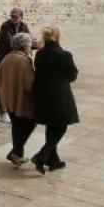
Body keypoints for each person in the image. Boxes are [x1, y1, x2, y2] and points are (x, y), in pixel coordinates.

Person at [30, 26, 79, 174]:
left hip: (43, 95)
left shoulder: (40, 54)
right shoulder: (64, 55)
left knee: (52, 126)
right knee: (60, 127)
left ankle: (53, 162)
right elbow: (72, 75)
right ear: (58, 37)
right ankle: (41, 156)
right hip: (59, 96)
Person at [0, 32, 36, 166]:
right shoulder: (24, 61)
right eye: (30, 45)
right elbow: (29, 85)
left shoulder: (6, 58)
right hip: (21, 101)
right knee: (31, 122)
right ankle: (15, 152)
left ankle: (17, 154)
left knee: (16, 127)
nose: (31, 47)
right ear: (25, 46)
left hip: (8, 99)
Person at [0, 7, 32, 124]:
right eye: (12, 16)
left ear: (21, 17)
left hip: (14, 57)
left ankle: (13, 108)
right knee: (0, 82)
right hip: (0, 58)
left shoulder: (24, 26)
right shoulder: (5, 26)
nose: (13, 18)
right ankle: (2, 111)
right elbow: (11, 42)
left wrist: (33, 44)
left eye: (16, 17)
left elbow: (27, 41)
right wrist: (25, 43)